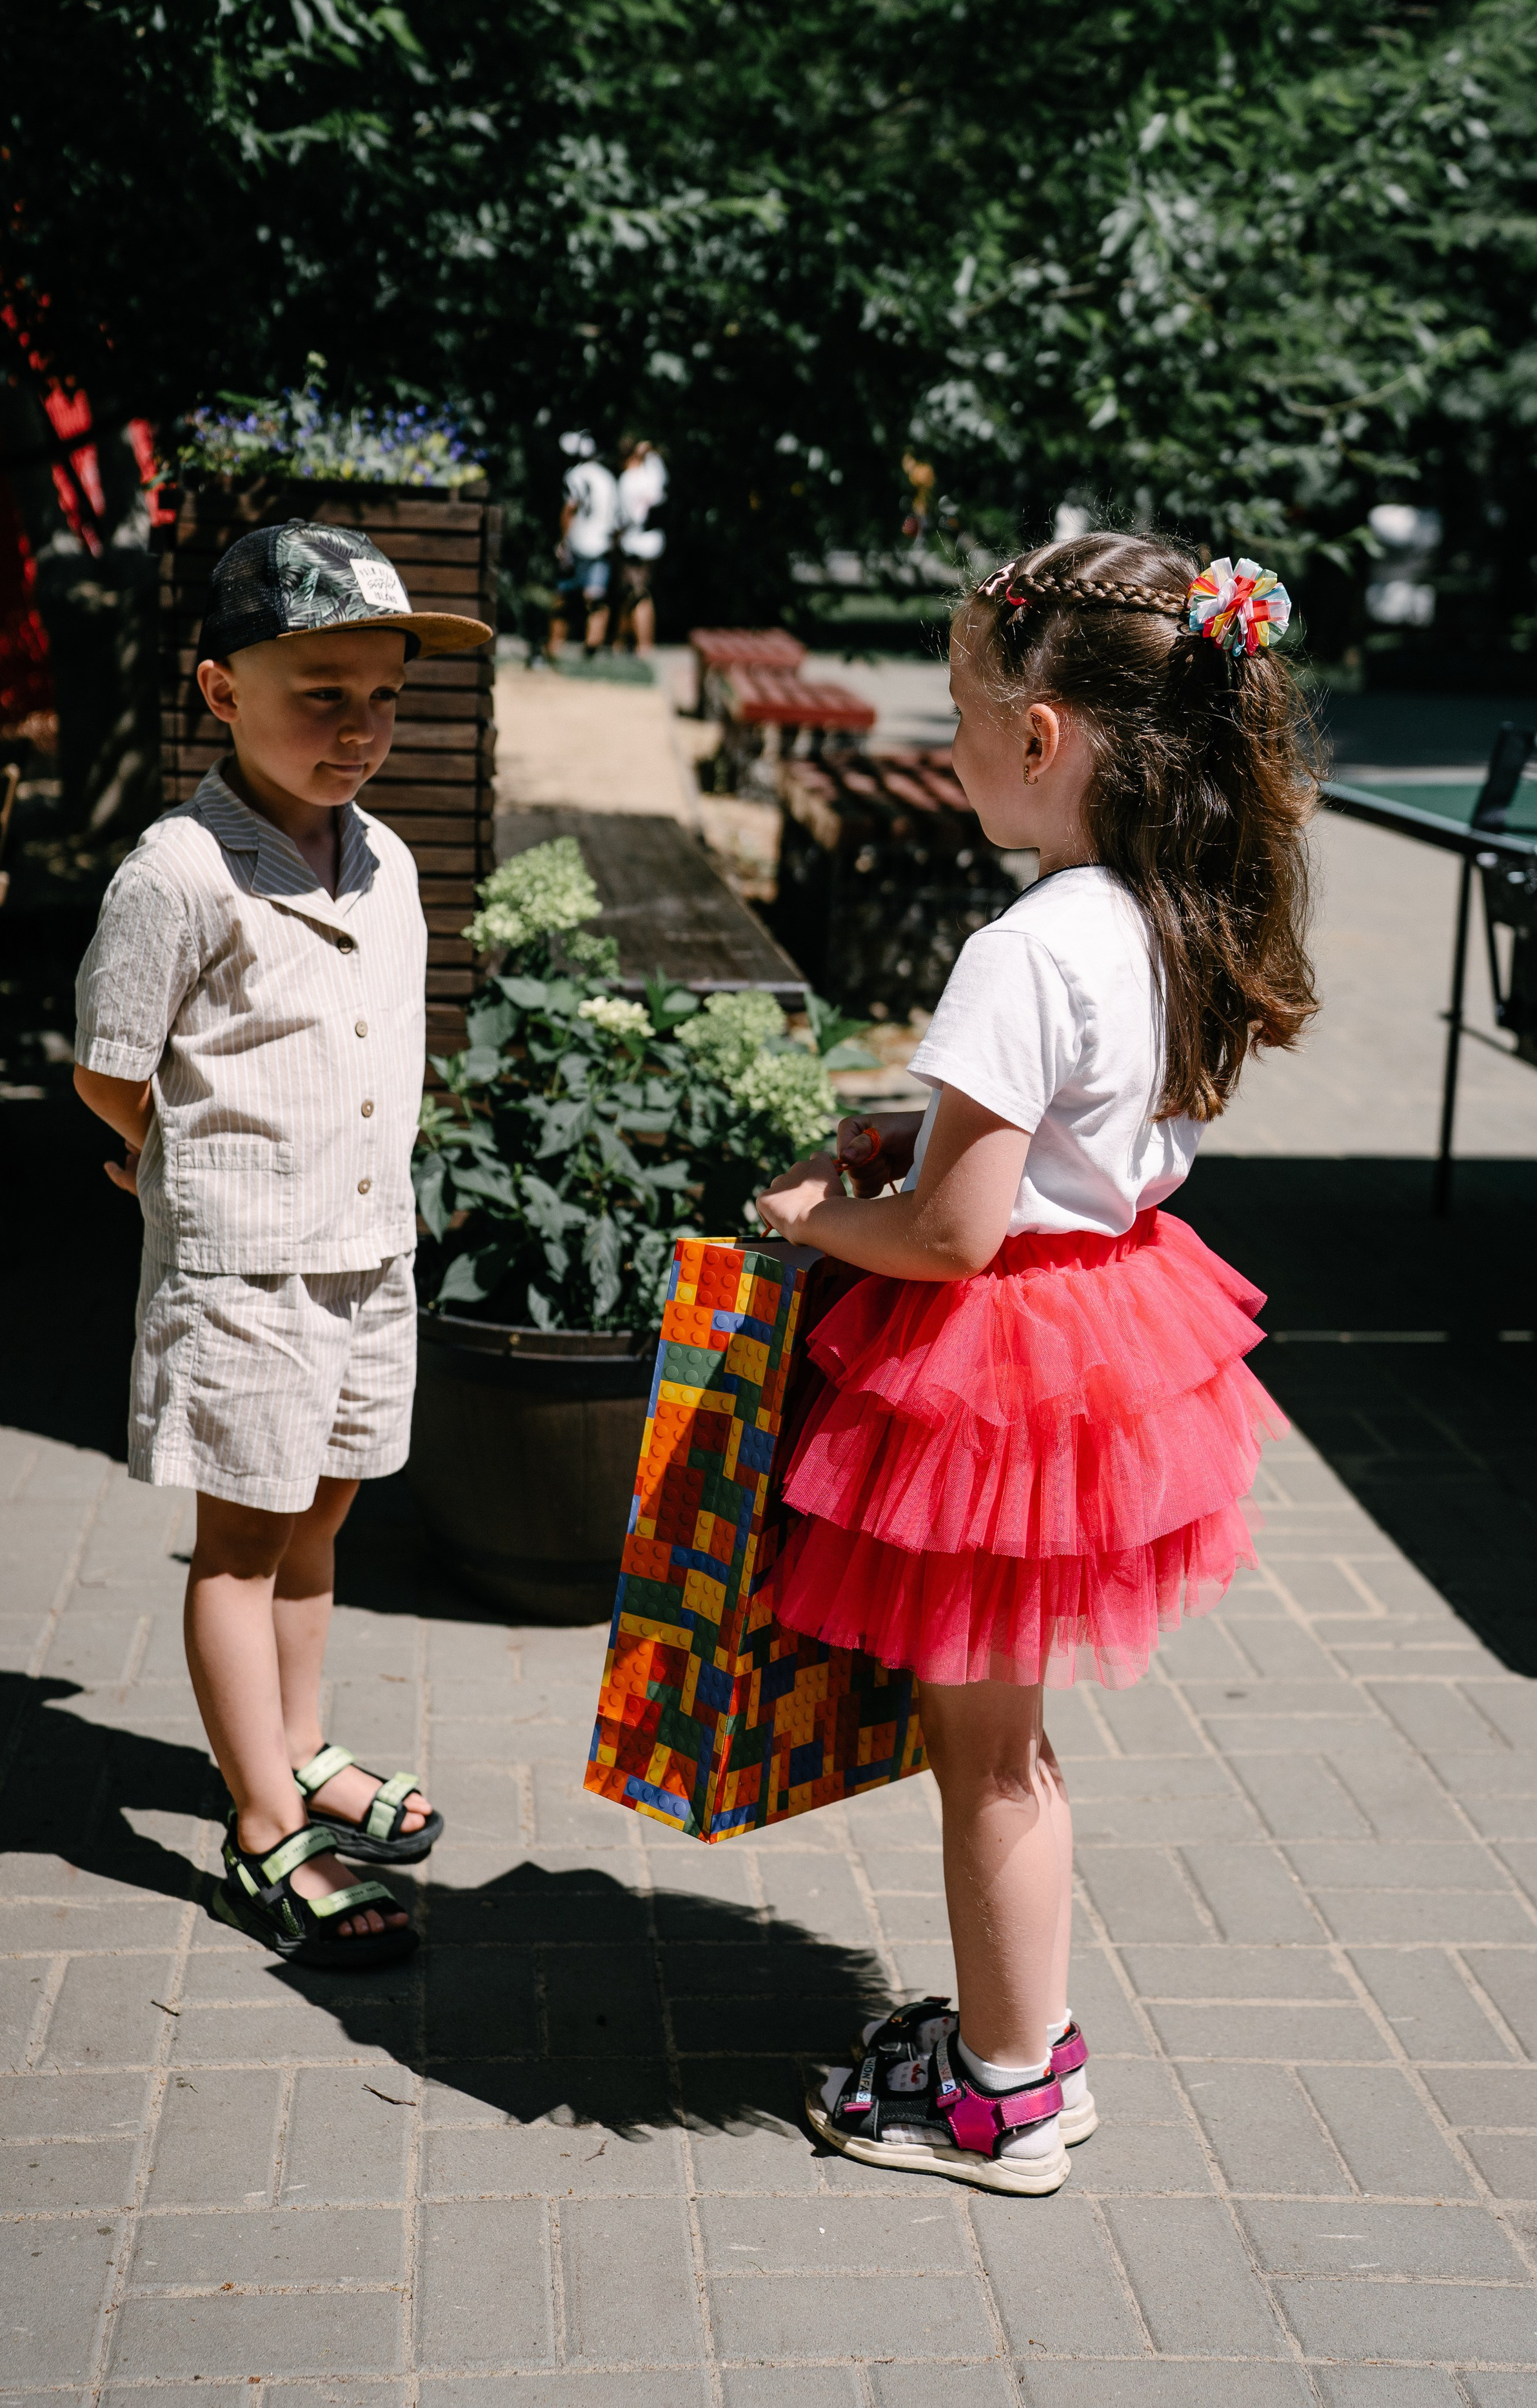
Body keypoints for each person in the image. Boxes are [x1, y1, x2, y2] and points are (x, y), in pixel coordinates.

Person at [753, 533, 1313, 2193]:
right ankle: (1026, 2033)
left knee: (980, 1754)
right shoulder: (1164, 919)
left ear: (1041, 736)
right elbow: (1076, 1146)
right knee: (1013, 1741)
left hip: (1000, 1373)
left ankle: (996, 2095)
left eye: (960, 709)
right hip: (1108, 1346)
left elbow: (948, 1236)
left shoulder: (1021, 947)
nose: (948, 742)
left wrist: (810, 1216)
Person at [72, 519, 493, 1970]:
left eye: (383, 695)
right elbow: (109, 1066)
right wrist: (169, 1165)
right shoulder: (179, 873)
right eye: (320, 692)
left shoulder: (379, 857)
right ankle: (262, 1827)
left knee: (325, 1510)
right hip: (247, 1261)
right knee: (244, 1540)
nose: (361, 728)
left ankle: (300, 1748)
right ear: (218, 689)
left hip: (366, 1249)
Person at [549, 430, 618, 658]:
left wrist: (562, 541)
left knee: (564, 596)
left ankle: (555, 645)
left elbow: (570, 509)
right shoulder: (608, 477)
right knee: (596, 598)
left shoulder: (575, 475)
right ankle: (592, 647)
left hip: (578, 542)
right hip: (601, 543)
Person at [614, 436, 667, 653]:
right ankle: (622, 641)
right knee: (632, 593)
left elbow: (626, 518)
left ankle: (644, 646)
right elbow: (660, 473)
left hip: (635, 543)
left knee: (639, 593)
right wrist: (650, 451)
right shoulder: (651, 475)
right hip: (654, 542)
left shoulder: (627, 480)